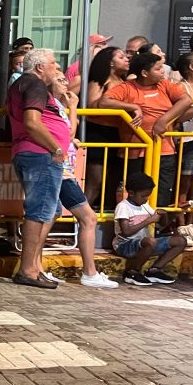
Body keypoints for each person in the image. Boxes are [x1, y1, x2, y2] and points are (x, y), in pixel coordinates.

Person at [45, 74, 117, 288]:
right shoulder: (50, 105)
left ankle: (36, 267)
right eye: (58, 78)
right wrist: (74, 107)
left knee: (50, 216)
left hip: (63, 169)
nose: (64, 82)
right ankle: (89, 272)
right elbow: (67, 133)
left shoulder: (57, 104)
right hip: (61, 171)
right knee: (88, 218)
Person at [6, 48, 68, 289]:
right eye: (53, 64)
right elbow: (32, 122)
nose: (57, 68)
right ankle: (28, 269)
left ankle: (33, 265)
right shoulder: (35, 85)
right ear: (40, 67)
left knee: (49, 211)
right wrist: (56, 149)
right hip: (39, 153)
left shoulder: (21, 84)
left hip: (29, 152)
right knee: (39, 211)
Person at [100, 51, 191, 213]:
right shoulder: (127, 88)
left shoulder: (164, 85)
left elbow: (186, 100)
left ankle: (158, 230)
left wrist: (163, 121)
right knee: (135, 196)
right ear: (144, 73)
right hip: (135, 152)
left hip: (164, 151)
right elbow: (104, 102)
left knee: (162, 193)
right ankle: (132, 228)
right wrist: (133, 107)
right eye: (158, 69)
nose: (163, 72)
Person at [113, 172, 187, 286]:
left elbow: (162, 225)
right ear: (131, 193)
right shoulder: (123, 207)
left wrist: (165, 214)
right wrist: (148, 221)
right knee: (151, 241)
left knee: (180, 241)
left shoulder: (144, 206)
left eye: (148, 196)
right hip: (125, 245)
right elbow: (126, 232)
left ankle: (154, 270)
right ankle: (133, 272)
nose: (146, 199)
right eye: (143, 196)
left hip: (144, 244)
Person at [83, 46, 129, 210]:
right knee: (96, 181)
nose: (126, 59)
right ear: (110, 62)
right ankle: (78, 218)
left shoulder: (124, 82)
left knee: (113, 181)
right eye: (121, 57)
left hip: (118, 135)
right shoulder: (100, 81)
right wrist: (117, 104)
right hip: (99, 133)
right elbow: (91, 106)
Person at [174, 52, 193, 240]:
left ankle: (192, 222)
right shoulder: (180, 87)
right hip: (188, 138)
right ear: (192, 67)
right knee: (184, 182)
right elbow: (179, 116)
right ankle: (181, 224)